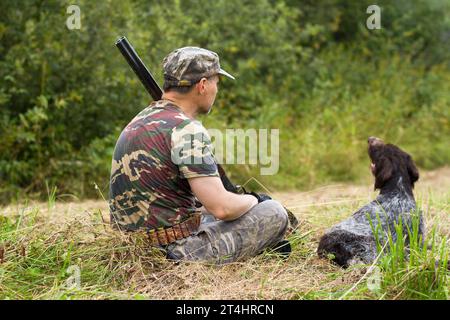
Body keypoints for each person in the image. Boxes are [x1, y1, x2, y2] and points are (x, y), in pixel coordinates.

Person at [109, 46, 289, 264]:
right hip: (176, 254)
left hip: (133, 249)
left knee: (212, 213)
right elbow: (222, 208)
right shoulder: (187, 129)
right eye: (216, 82)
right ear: (203, 85)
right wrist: (254, 200)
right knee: (274, 211)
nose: (216, 89)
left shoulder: (139, 120)